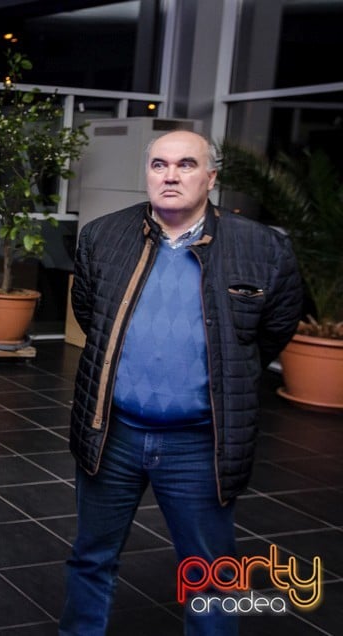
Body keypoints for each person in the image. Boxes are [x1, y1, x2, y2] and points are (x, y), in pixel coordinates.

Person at [60, 130, 303, 635]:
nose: (170, 176)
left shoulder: (262, 248)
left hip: (200, 444)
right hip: (113, 435)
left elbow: (271, 332)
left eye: (186, 165)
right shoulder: (102, 236)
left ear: (211, 177)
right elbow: (92, 315)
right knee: (91, 558)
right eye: (159, 165)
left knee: (211, 574)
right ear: (147, 173)